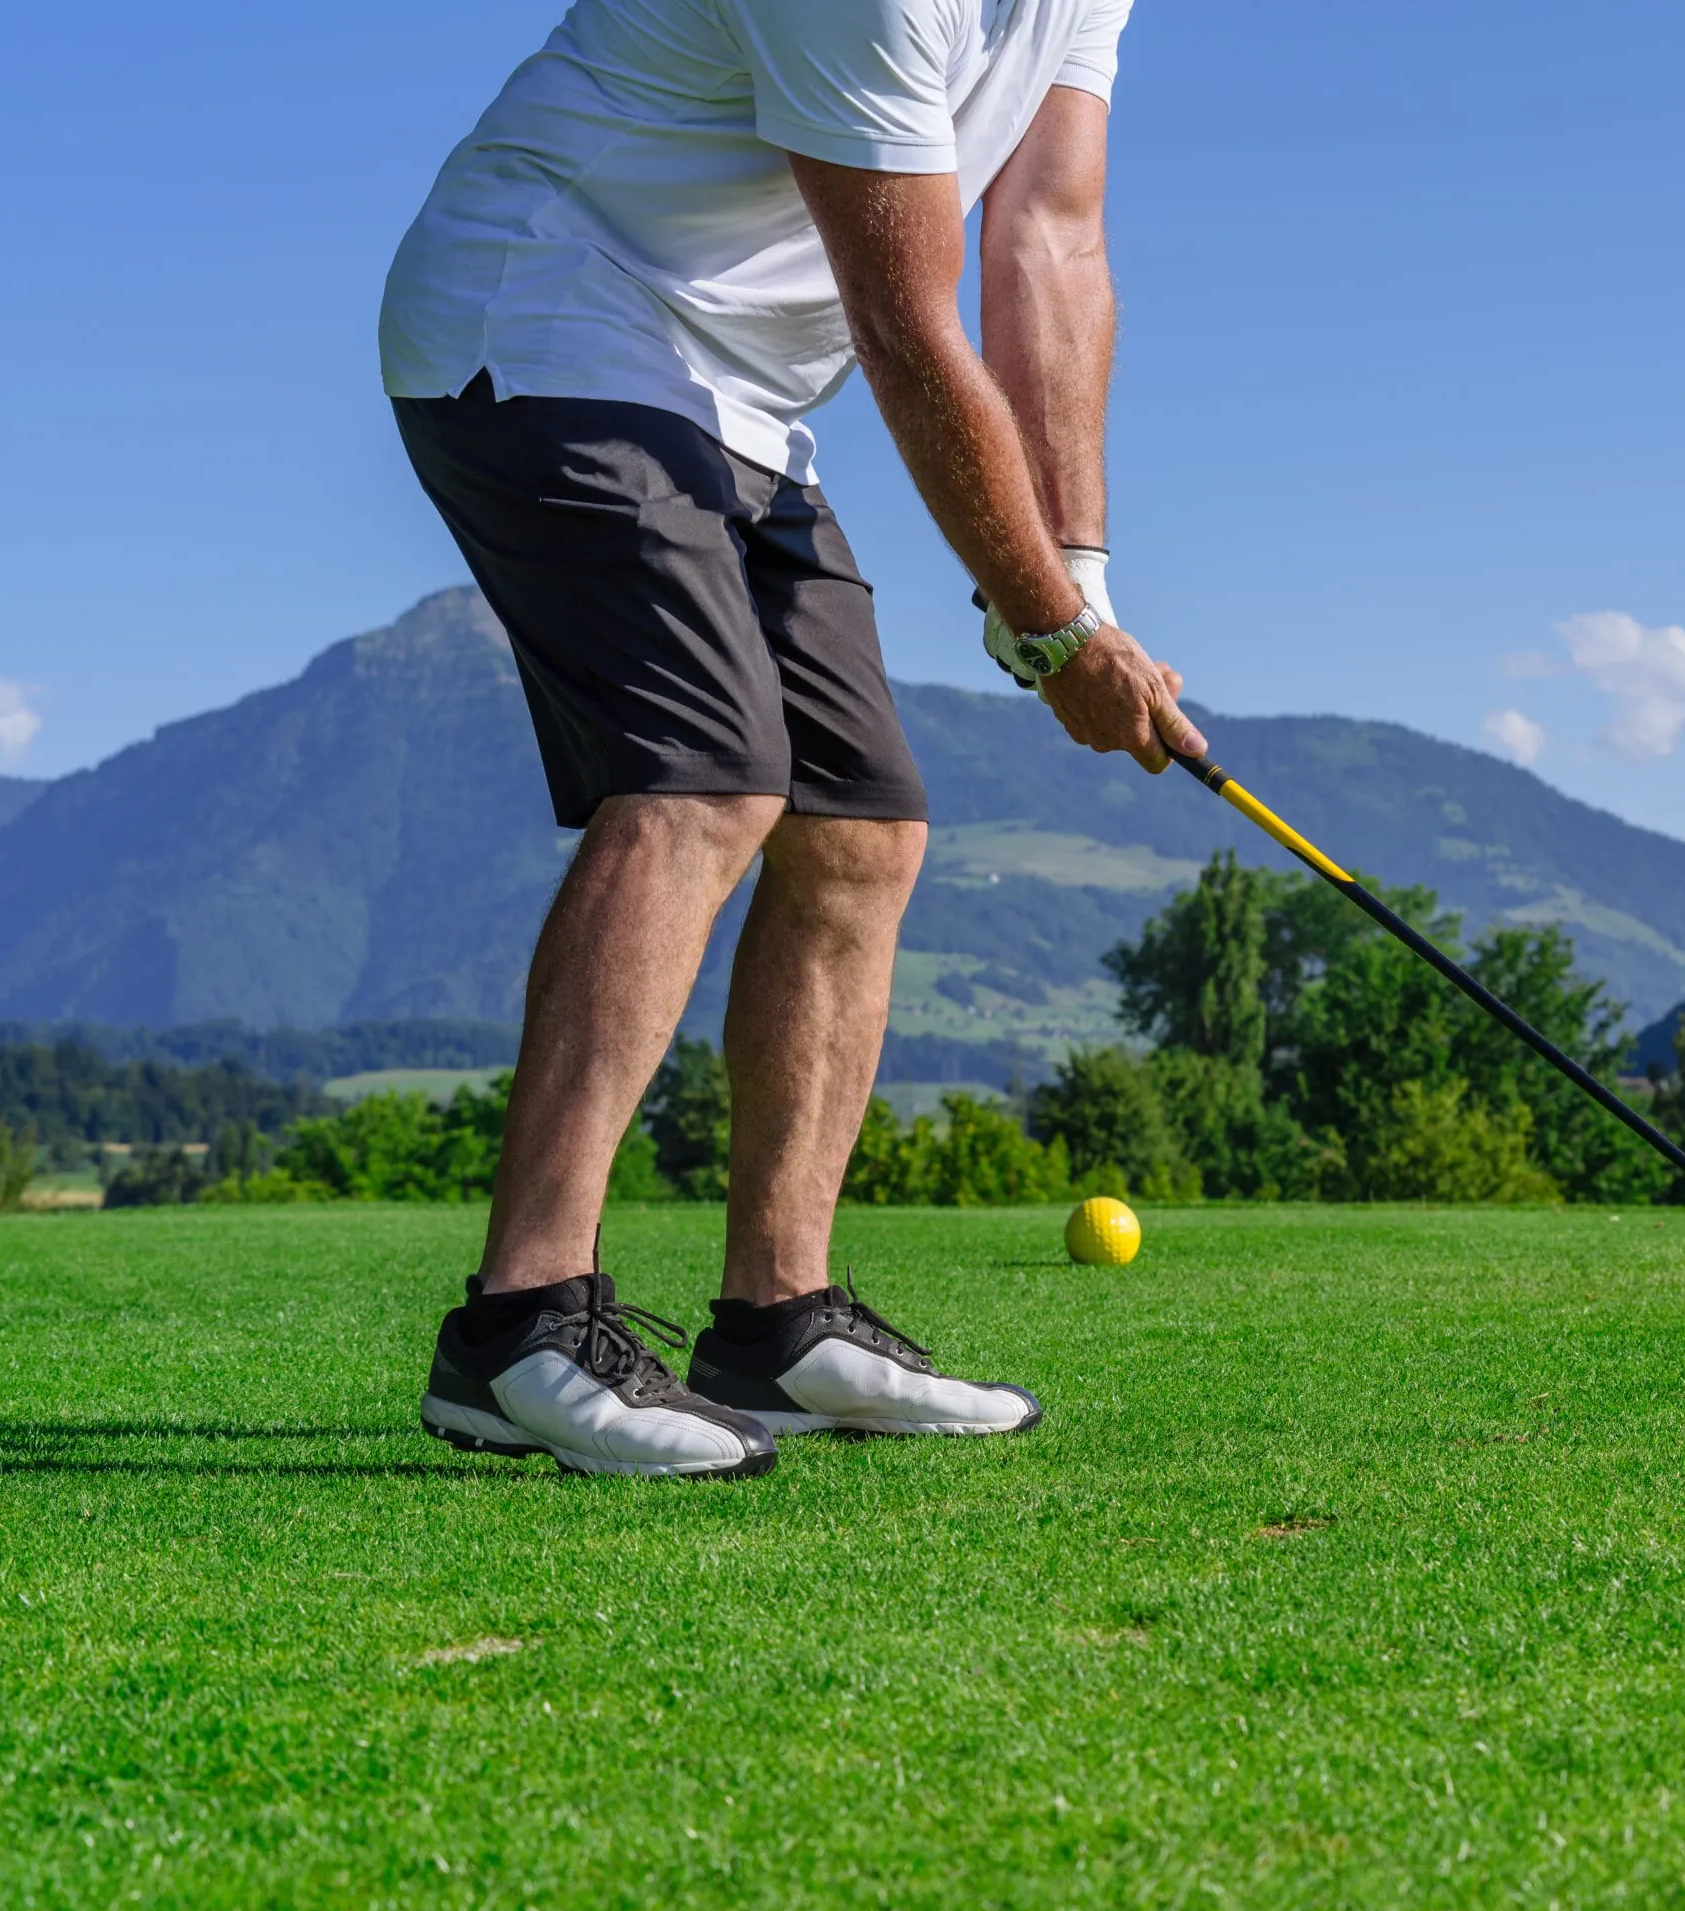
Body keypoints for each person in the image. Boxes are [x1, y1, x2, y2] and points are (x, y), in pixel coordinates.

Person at [380, 0, 1202, 1478]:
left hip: (736, 401)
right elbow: (901, 315)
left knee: (861, 830)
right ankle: (516, 1329)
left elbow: (1051, 239)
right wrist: (1049, 636)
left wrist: (1078, 580)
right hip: (546, 315)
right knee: (704, 779)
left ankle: (775, 1320)